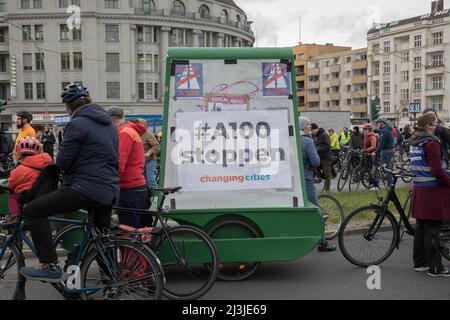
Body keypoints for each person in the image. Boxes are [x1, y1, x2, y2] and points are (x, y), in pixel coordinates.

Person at [19, 83, 119, 282]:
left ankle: (49, 265)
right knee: (101, 237)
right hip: (109, 189)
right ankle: (113, 283)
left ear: (70, 107)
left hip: (85, 187)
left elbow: (63, 162)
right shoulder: (110, 124)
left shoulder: (77, 124)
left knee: (33, 210)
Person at [409, 113, 450, 277]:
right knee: (433, 231)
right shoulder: (431, 143)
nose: (436, 126)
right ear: (427, 126)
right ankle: (435, 268)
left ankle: (420, 263)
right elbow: (437, 170)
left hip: (420, 189)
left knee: (421, 229)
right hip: (432, 191)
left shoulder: (414, 141)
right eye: (434, 124)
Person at [107, 107, 149, 229]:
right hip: (137, 185)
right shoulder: (132, 131)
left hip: (129, 187)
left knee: (129, 231)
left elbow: (120, 162)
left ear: (112, 120)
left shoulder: (124, 133)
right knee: (135, 229)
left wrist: (110, 180)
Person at [299, 118, 336, 252]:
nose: (310, 126)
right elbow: (315, 162)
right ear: (303, 127)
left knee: (300, 210)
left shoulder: (292, 140)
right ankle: (322, 243)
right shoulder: (308, 141)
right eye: (308, 124)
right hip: (307, 178)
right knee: (314, 210)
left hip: (296, 180)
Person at [2, 137, 53, 225]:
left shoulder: (20, 169)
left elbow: (11, 185)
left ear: (20, 153)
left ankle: (15, 216)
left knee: (13, 196)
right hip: (44, 195)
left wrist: (8, 186)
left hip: (28, 196)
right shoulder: (46, 164)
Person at [129, 119, 160, 193]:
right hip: (139, 162)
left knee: (150, 180)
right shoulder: (133, 133)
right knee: (141, 182)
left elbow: (157, 147)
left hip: (150, 161)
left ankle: (157, 197)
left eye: (137, 124)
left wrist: (149, 153)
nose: (134, 125)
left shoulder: (148, 134)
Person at [311, 123, 332, 192]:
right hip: (319, 157)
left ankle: (327, 190)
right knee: (317, 169)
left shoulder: (324, 135)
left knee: (327, 174)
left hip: (326, 158)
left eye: (312, 130)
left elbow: (327, 146)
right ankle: (319, 177)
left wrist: (318, 149)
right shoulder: (315, 136)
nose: (311, 132)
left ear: (316, 129)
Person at [374, 117, 395, 186]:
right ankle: (390, 183)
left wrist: (375, 152)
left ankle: (390, 185)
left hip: (386, 152)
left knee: (387, 169)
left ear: (382, 123)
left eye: (378, 123)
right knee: (388, 167)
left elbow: (381, 144)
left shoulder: (384, 131)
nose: (377, 125)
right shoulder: (387, 130)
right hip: (389, 151)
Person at [362, 124, 379, 190]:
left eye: (365, 129)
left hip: (372, 155)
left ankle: (375, 185)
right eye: (364, 129)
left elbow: (373, 146)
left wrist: (366, 150)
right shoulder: (366, 136)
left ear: (369, 130)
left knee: (373, 170)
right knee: (369, 170)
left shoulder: (372, 136)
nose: (364, 131)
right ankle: (371, 184)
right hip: (367, 155)